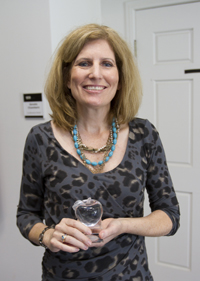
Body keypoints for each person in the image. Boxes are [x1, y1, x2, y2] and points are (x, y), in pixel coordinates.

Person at [16, 23, 180, 281]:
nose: (95, 73)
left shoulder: (144, 134)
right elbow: (26, 214)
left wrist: (123, 224)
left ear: (119, 78)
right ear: (66, 77)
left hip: (131, 274)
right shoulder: (40, 138)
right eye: (83, 63)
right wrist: (47, 235)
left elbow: (170, 216)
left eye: (106, 63)